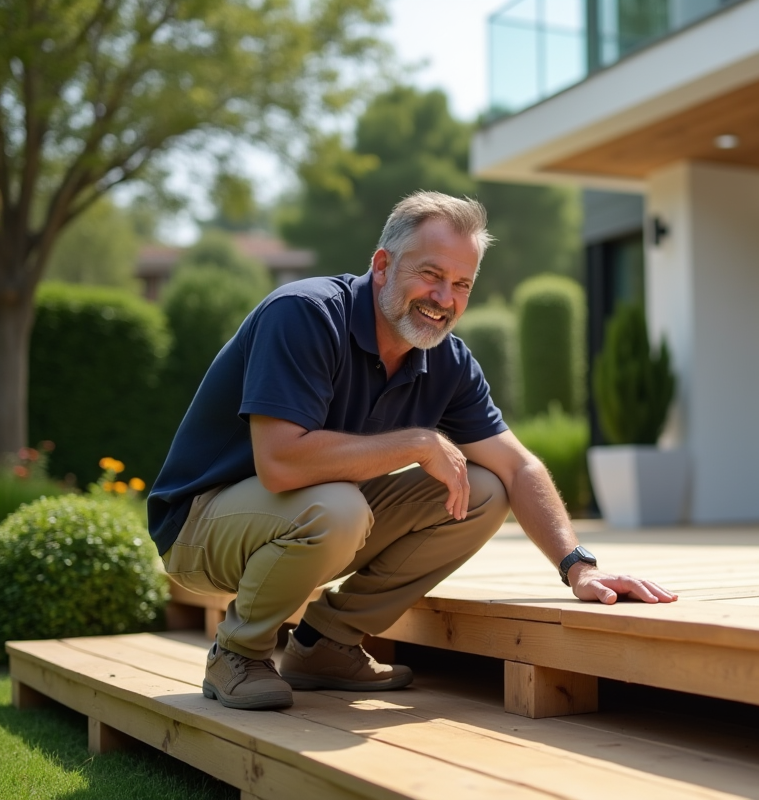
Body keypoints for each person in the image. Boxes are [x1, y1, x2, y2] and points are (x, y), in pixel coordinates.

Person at [147, 191, 677, 711]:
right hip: (200, 526)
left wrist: (578, 567)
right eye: (431, 274)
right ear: (382, 265)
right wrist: (419, 442)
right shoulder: (304, 315)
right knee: (337, 508)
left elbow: (518, 466)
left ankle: (326, 646)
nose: (444, 299)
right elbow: (281, 462)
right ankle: (238, 654)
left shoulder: (447, 361)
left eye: (462, 284)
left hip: (310, 520)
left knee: (484, 490)